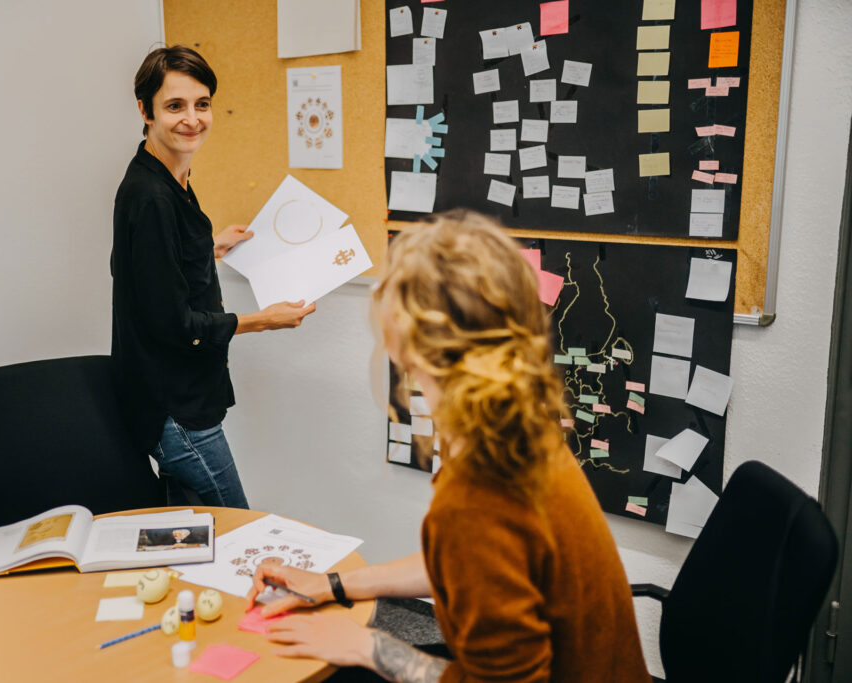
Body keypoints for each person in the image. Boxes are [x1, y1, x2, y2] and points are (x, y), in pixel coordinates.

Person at [244, 211, 650, 682]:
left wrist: (370, 647)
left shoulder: (477, 495)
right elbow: (461, 566)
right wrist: (333, 585)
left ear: (410, 341)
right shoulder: (518, 422)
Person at [111, 46, 314, 509]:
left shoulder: (169, 173)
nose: (192, 119)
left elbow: (151, 270)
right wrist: (263, 320)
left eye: (202, 104)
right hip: (174, 410)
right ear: (145, 110)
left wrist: (209, 246)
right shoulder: (150, 197)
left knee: (193, 538)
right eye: (175, 106)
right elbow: (174, 324)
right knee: (239, 528)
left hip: (181, 398)